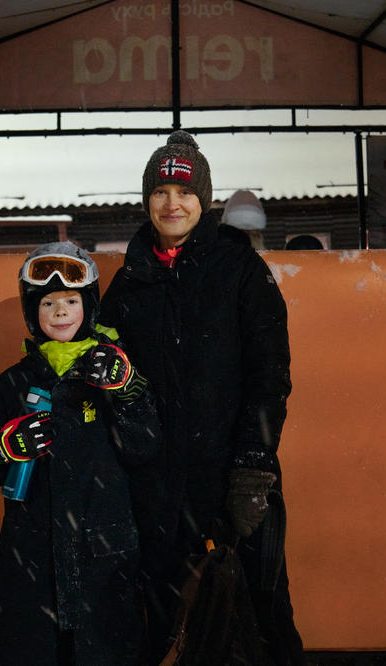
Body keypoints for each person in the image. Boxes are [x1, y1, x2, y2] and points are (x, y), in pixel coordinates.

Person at [99, 130, 304, 664]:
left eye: (185, 192)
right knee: (170, 621)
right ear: (146, 201)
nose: (172, 203)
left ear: (204, 200)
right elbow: (112, 390)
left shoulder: (240, 270)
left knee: (260, 613)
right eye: (161, 191)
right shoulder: (127, 286)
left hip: (235, 475)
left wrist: (253, 466)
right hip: (158, 489)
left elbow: (270, 375)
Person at [0, 242, 160, 665]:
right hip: (32, 556)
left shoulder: (115, 368)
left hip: (103, 551)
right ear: (31, 313)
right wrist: (1, 448)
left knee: (106, 652)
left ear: (88, 307)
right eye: (48, 302)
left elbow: (145, 448)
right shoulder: (12, 383)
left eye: (72, 301)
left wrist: (129, 391)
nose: (60, 312)